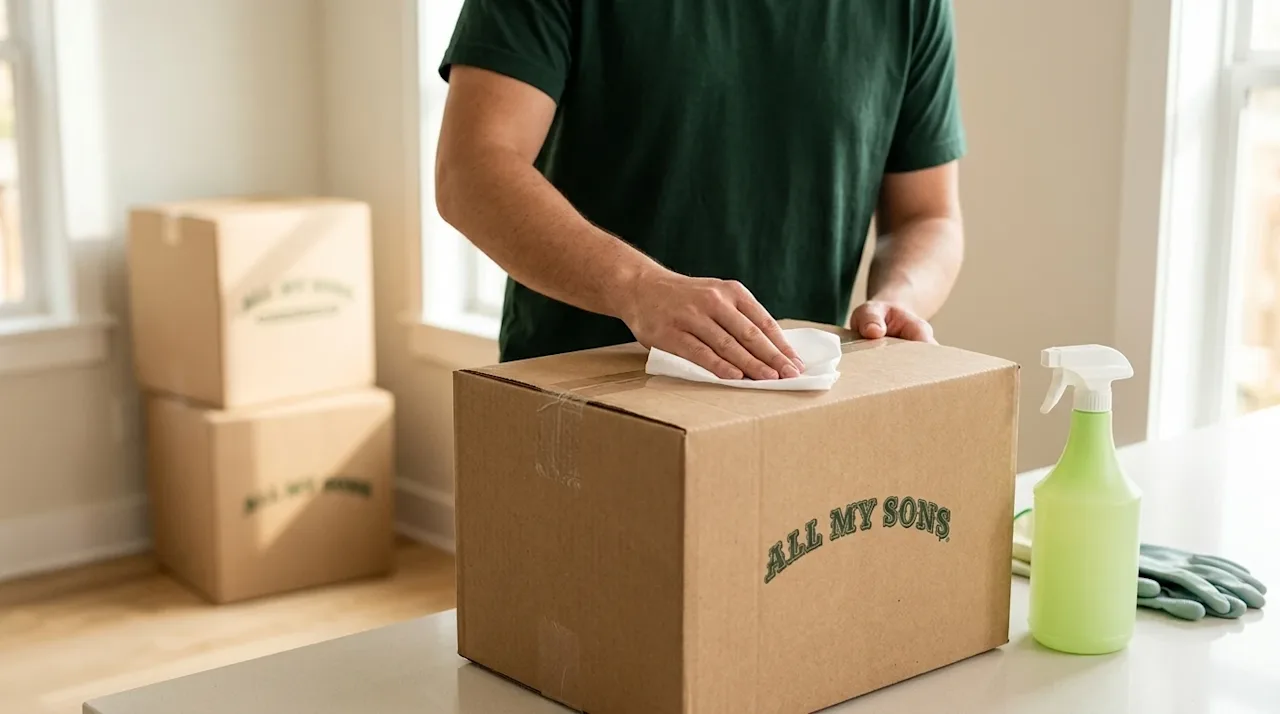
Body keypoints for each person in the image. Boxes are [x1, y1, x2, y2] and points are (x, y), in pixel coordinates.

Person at [435, 0, 966, 381]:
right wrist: (638, 288)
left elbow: (927, 216)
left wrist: (898, 300)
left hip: (794, 401)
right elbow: (470, 169)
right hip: (578, 403)